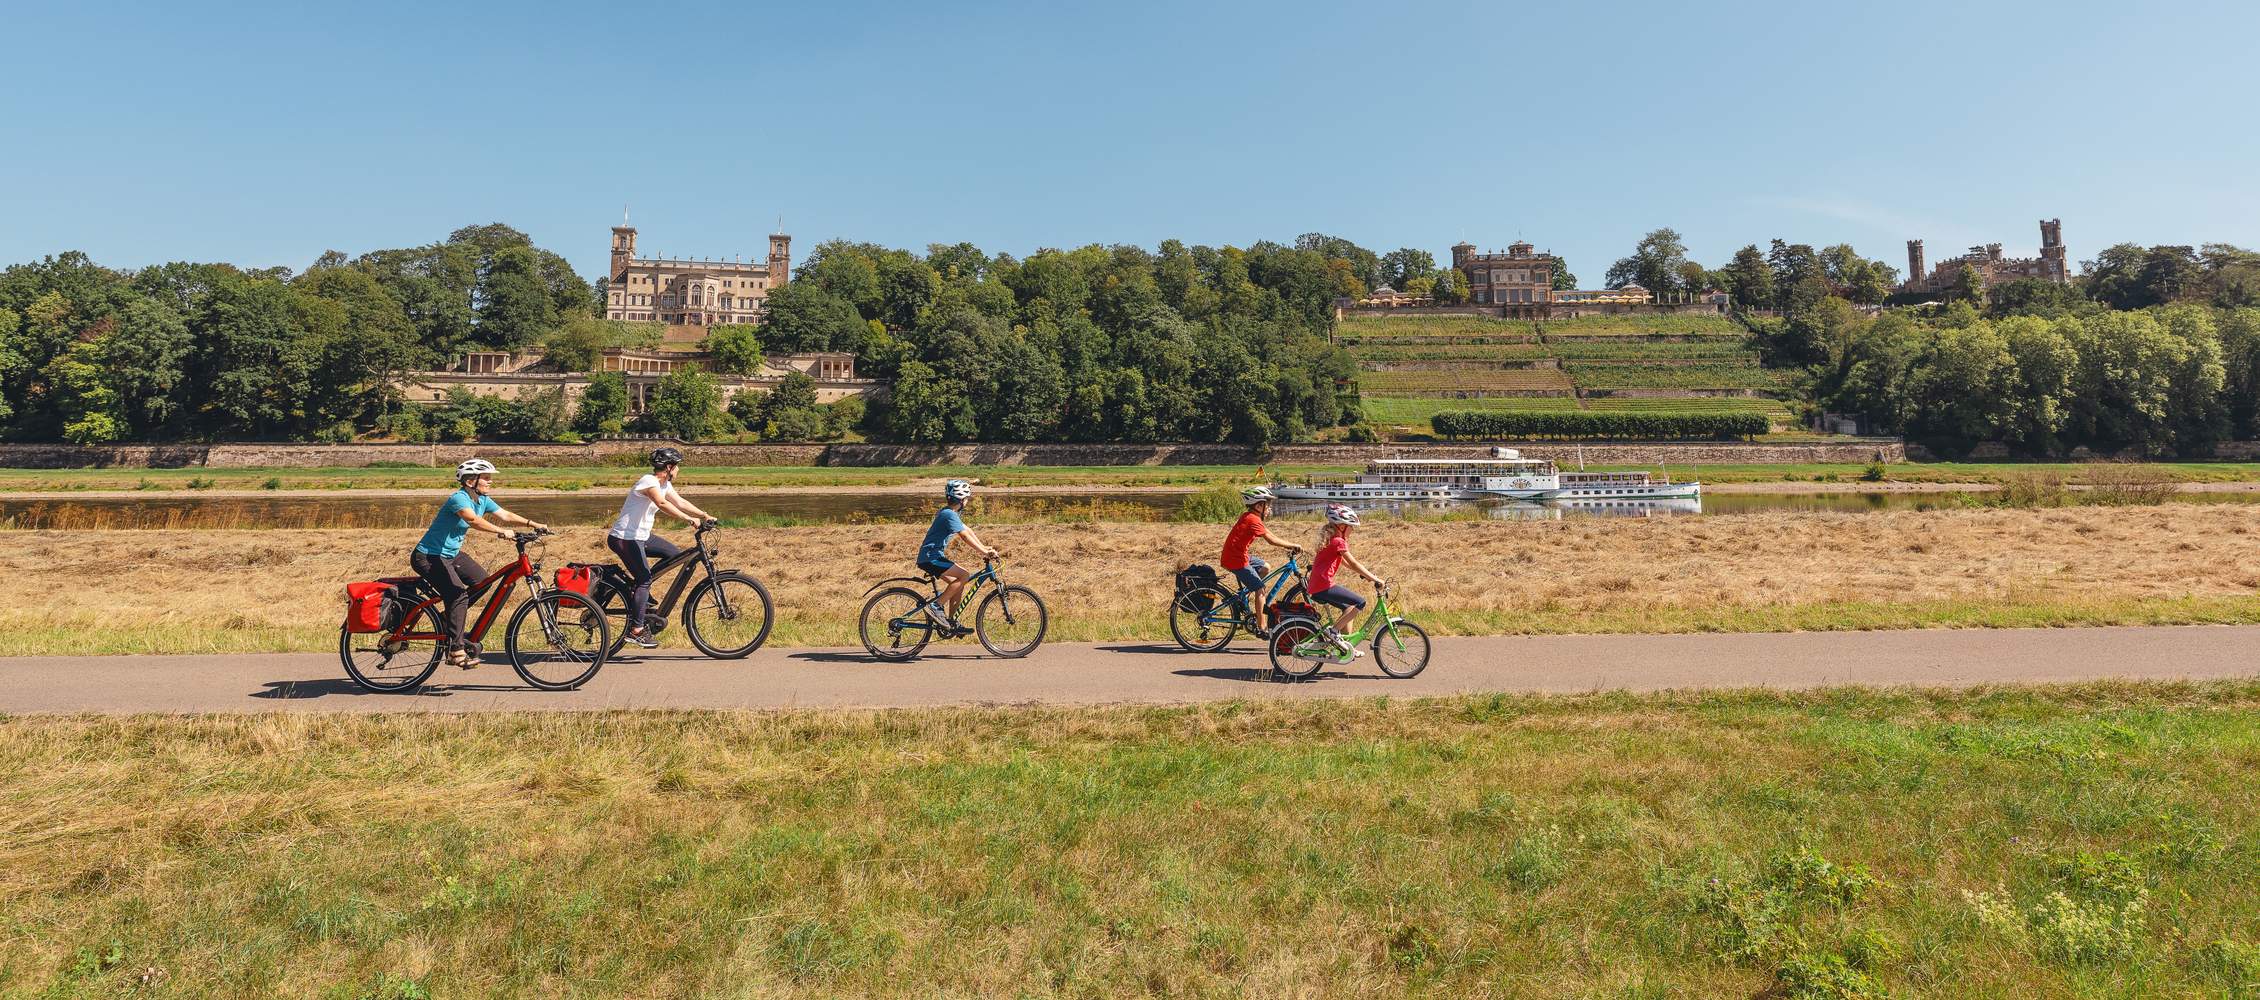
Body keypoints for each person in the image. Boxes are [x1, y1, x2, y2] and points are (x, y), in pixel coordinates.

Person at [411, 458, 547, 667]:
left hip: (450, 555)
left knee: (482, 581)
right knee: (458, 595)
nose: (490, 482)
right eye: (486, 478)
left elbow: (505, 515)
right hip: (429, 556)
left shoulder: (483, 499)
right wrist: (501, 532)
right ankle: (455, 650)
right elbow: (472, 520)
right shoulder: (459, 498)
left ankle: (447, 618)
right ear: (470, 481)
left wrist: (533, 524)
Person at [607, 446, 717, 649]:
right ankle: (637, 630)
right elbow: (662, 503)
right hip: (624, 538)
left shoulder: (664, 484)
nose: (679, 470)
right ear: (669, 467)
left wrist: (704, 515)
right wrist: (689, 520)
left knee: (675, 555)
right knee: (645, 579)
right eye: (677, 467)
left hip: (641, 537)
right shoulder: (649, 481)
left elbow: (680, 501)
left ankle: (638, 590)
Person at [918, 479, 998, 630]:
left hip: (931, 556)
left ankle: (951, 622)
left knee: (957, 583)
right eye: (967, 498)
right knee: (964, 575)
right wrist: (983, 552)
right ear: (962, 500)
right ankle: (935, 606)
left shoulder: (949, 513)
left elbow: (969, 531)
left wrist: (984, 547)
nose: (967, 501)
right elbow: (964, 536)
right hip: (931, 557)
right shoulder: (949, 514)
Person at [1221, 486, 1302, 633]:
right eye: (1267, 504)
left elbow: (1270, 534)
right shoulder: (1253, 520)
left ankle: (1244, 595)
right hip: (1236, 559)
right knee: (1260, 589)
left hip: (1237, 555)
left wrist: (1289, 544)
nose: (1269, 508)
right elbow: (1271, 540)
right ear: (1258, 505)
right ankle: (1262, 627)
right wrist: (1292, 545)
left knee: (1265, 567)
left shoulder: (1250, 516)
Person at [1307, 504, 1385, 658]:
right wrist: (1375, 578)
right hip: (1323, 585)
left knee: (1348, 607)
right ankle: (1333, 632)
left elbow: (1345, 563)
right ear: (1341, 526)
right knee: (1359, 602)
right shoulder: (1338, 541)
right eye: (1351, 527)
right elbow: (1354, 563)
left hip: (1318, 585)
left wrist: (1367, 575)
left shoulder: (1332, 539)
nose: (1352, 530)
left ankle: (1347, 646)